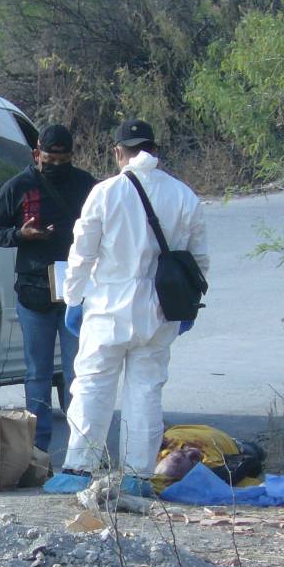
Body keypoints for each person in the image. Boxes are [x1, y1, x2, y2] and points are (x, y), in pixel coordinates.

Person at [46, 119, 209, 496]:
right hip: (159, 310)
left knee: (92, 388)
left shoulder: (106, 192)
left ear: (119, 152)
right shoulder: (184, 195)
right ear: (154, 149)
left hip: (107, 309)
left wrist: (74, 298)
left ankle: (79, 468)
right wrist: (186, 309)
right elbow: (198, 260)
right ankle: (137, 476)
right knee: (146, 391)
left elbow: (82, 253)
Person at [0, 124, 96, 454]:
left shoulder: (87, 185)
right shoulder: (19, 186)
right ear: (36, 155)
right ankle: (37, 449)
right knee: (38, 372)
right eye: (50, 159)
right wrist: (22, 235)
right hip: (34, 290)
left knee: (81, 371)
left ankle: (83, 446)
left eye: (64, 160)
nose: (57, 165)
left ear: (72, 157)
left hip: (77, 291)